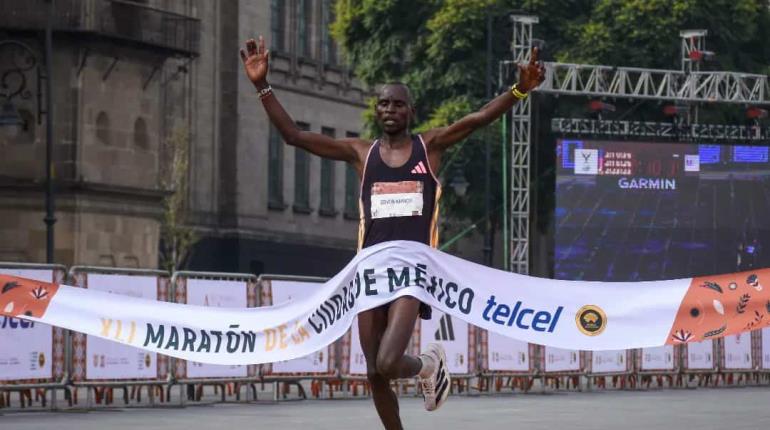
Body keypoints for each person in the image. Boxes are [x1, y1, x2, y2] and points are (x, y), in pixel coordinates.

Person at [240, 35, 545, 430]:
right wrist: (262, 85)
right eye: (384, 102)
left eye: (398, 104)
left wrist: (519, 89)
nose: (389, 109)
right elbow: (294, 137)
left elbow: (477, 119)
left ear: (410, 111)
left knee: (388, 361)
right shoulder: (360, 153)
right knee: (374, 373)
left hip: (412, 272)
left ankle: (427, 364)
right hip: (369, 271)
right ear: (377, 109)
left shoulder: (429, 146)